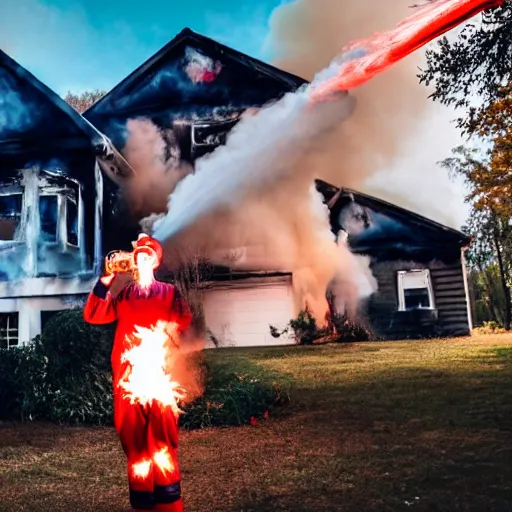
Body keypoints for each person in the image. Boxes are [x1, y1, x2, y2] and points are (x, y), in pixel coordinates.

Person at [84, 233, 192, 512]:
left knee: (162, 446)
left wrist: (165, 336)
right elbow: (94, 315)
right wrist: (105, 280)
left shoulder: (170, 293)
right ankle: (142, 506)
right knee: (135, 449)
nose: (141, 260)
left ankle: (169, 507)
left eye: (147, 256)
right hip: (128, 383)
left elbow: (184, 321)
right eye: (138, 257)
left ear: (156, 262)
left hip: (159, 381)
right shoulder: (124, 295)